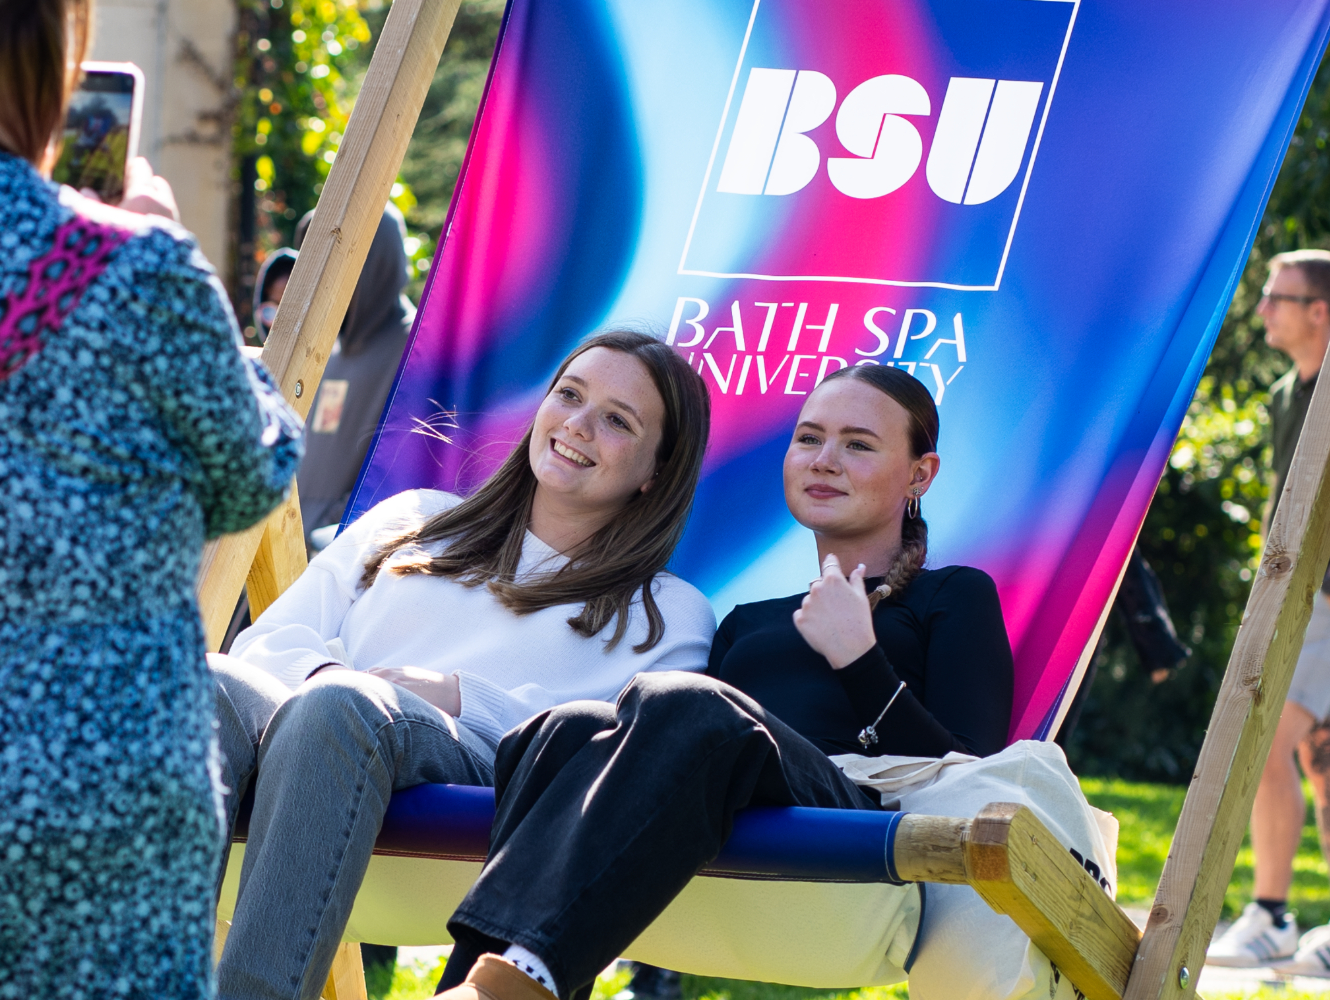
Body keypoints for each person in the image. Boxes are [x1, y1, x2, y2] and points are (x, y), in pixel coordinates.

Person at [0, 0, 304, 996]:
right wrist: (166, 252)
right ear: (49, 67)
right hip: (102, 823)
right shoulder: (138, 270)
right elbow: (251, 474)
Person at [428, 364, 1015, 1000]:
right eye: (809, 438)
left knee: (690, 703)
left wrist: (859, 659)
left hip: (860, 839)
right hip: (731, 843)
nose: (824, 460)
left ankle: (522, 981)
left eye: (859, 444)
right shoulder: (747, 623)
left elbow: (971, 768)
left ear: (920, 474)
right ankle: (474, 985)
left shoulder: (953, 595)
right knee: (568, 728)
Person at [212, 330, 719, 1000]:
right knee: (204, 682)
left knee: (342, 711)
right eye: (569, 394)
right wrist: (330, 680)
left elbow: (615, 748)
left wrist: (453, 694)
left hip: (475, 778)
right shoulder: (416, 519)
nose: (578, 424)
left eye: (617, 421)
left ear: (656, 469)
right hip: (317, 736)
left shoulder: (666, 611)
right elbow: (269, 643)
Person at [1208, 249, 1330, 971]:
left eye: (1277, 298)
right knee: (1319, 761)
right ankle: (1280, 921)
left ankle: (1271, 912)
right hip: (1297, 598)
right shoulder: (1291, 392)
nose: (1261, 313)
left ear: (1321, 309)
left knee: (1265, 737)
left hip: (1327, 598)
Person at [253, 205, 416, 551]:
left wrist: (329, 531)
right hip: (282, 540)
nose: (319, 274)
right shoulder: (325, 347)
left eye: (333, 255)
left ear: (372, 258)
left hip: (340, 555)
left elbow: (401, 471)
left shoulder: (415, 346)